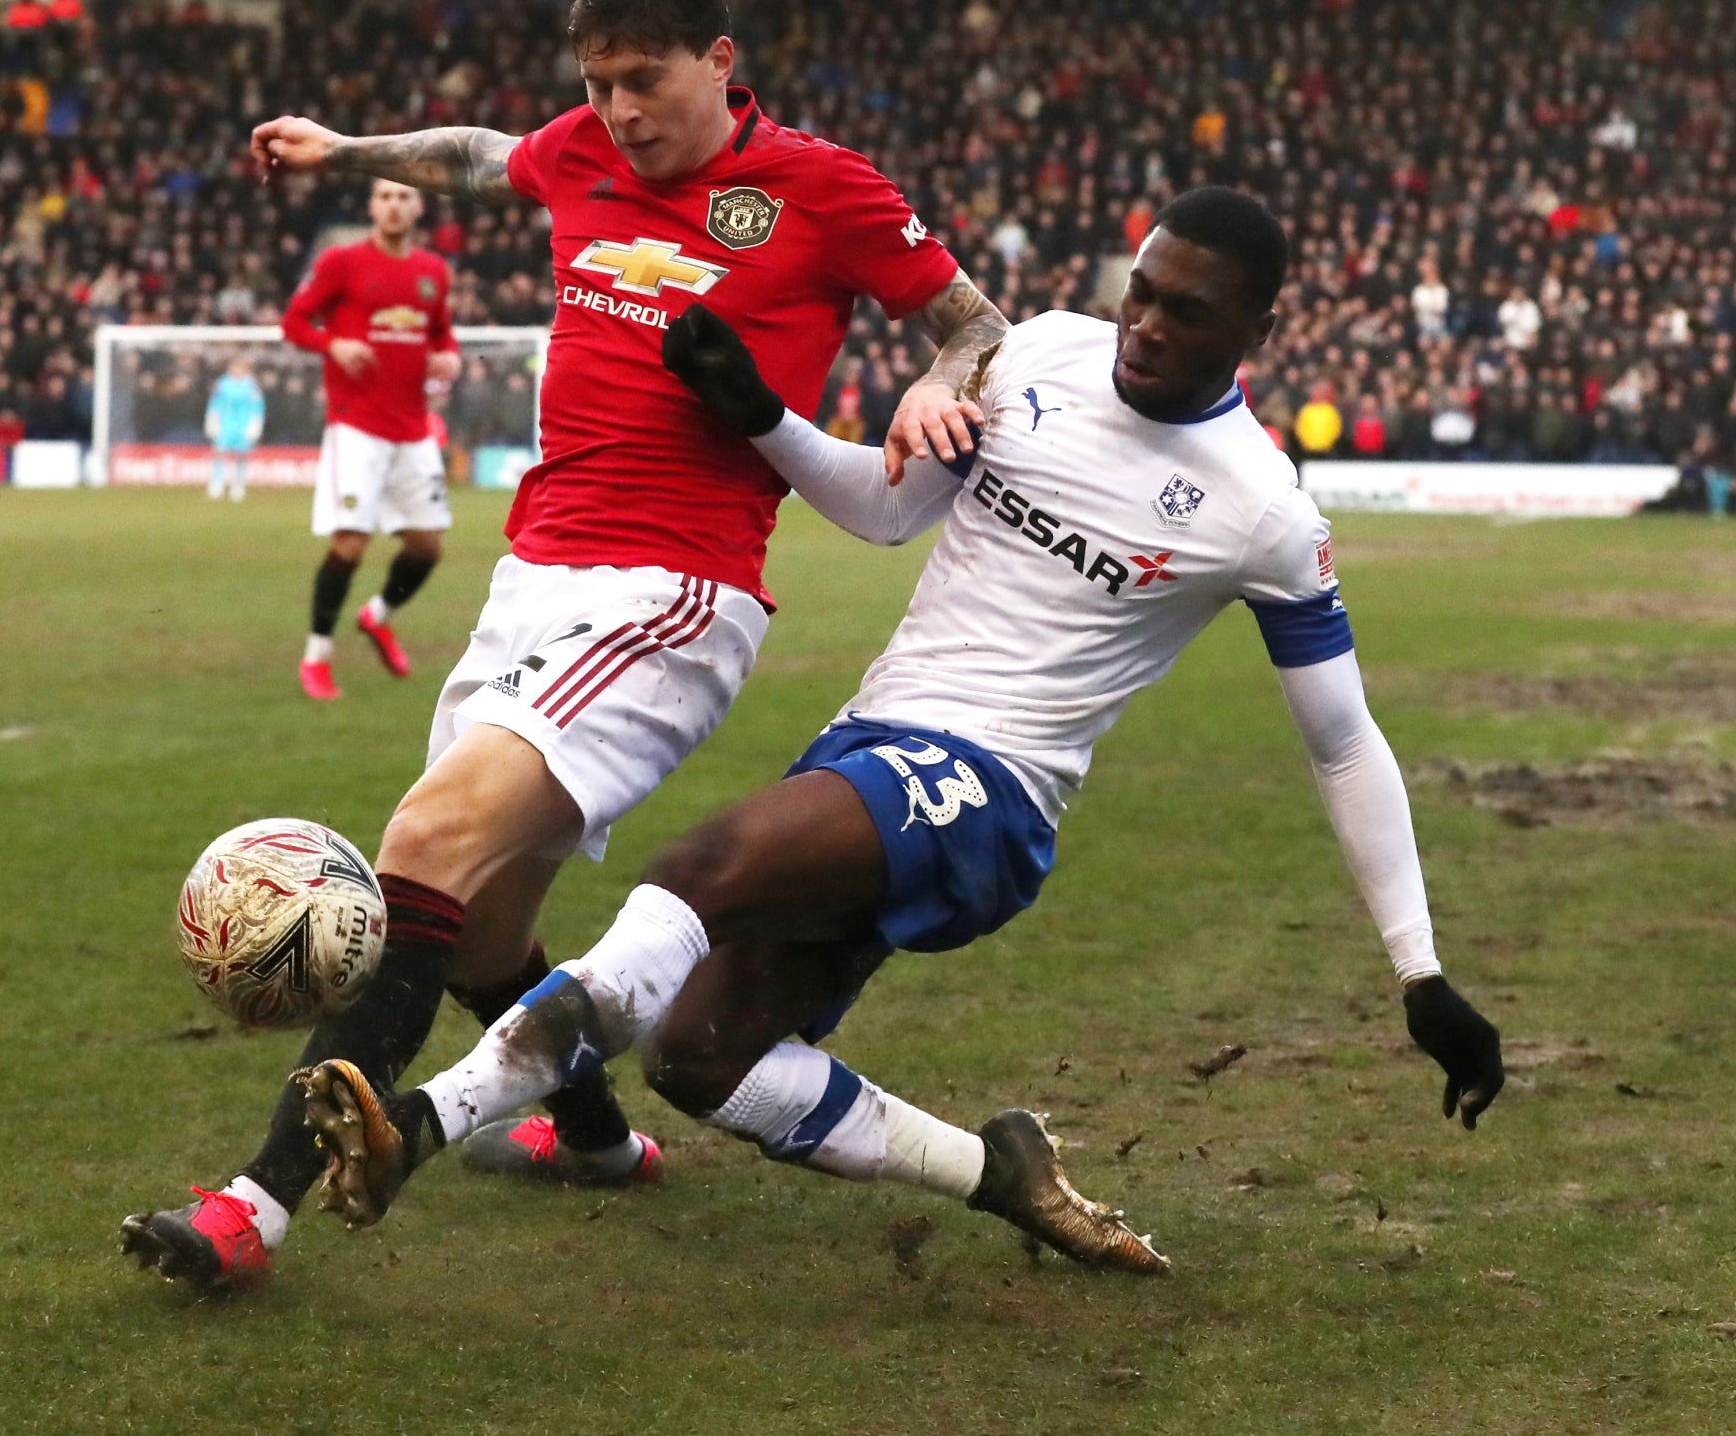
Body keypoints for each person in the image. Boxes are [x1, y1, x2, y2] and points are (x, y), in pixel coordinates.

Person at [289, 189, 1507, 1274]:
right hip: (870, 745)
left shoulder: (1263, 513)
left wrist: (1420, 973)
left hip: (993, 794)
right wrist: (760, 413)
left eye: (1186, 313)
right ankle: (1001, 1173)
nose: (1145, 326)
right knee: (700, 1058)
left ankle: (426, 1123)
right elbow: (884, 512)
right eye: (1139, 293)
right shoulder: (1036, 353)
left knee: (694, 874)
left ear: (1258, 334)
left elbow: (1342, 745)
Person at [121, 0, 1005, 1287]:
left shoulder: (820, 188)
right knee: (472, 923)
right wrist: (344, 149)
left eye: (644, 78)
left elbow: (972, 319)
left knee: (423, 836)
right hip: (533, 573)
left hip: (672, 590)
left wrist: (943, 382)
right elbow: (484, 153)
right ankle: (593, 1140)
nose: (617, 111)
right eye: (596, 83)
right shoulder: (585, 148)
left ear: (720, 60)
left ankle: (254, 1204)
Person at [280, 180, 462, 693]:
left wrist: (449, 353)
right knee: (350, 544)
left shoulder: (433, 272)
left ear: (418, 206)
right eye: (385, 197)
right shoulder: (342, 262)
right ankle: (317, 655)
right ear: (371, 206)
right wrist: (332, 344)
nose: (395, 205)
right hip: (355, 425)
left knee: (427, 547)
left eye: (404, 197)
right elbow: (294, 321)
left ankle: (377, 614)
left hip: (412, 427)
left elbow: (441, 332)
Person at [204, 358, 267, 501]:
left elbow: (257, 406)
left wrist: (255, 423)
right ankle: (216, 482)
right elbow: (214, 402)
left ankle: (238, 484)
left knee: (242, 454)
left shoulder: (251, 385)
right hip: (225, 423)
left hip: (243, 424)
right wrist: (212, 419)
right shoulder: (222, 383)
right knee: (219, 452)